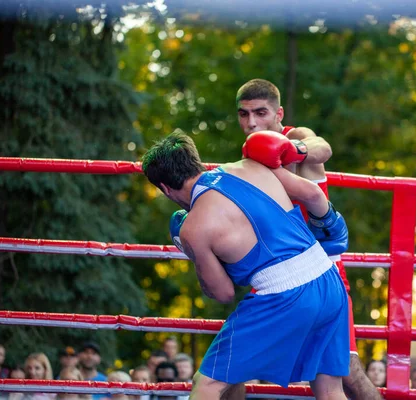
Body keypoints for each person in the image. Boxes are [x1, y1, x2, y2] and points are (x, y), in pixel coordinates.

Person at [142, 132, 350, 400]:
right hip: (328, 278)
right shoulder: (249, 165)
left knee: (206, 385)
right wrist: (329, 224)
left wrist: (193, 252)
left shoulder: (193, 228)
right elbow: (312, 193)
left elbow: (223, 293)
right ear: (198, 162)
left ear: (165, 188)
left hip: (284, 296)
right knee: (330, 389)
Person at [235, 78, 380, 400]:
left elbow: (321, 147)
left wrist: (291, 151)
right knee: (231, 366)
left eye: (260, 112)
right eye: (244, 114)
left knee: (347, 374)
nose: (252, 122)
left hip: (321, 270)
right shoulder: (247, 161)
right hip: (274, 276)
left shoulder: (294, 137)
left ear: (279, 113)